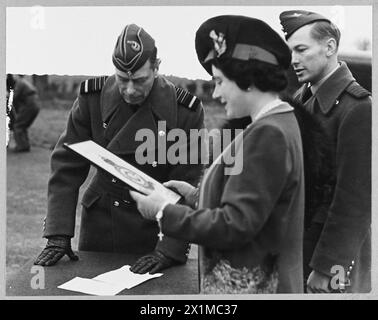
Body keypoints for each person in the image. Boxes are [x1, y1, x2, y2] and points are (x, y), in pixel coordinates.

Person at [130, 15, 305, 293]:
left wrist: (163, 212)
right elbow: (259, 205)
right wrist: (194, 196)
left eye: (220, 81)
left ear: (247, 79)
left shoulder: (268, 134)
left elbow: (235, 226)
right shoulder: (278, 122)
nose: (216, 92)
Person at [34, 23, 205, 273]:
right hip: (101, 219)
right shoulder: (92, 98)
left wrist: (170, 250)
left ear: (157, 67)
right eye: (122, 79)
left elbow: (186, 182)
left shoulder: (184, 111)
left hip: (154, 225)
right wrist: (58, 233)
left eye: (139, 80)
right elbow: (66, 166)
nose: (129, 89)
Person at [280, 10, 371, 293]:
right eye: (290, 51)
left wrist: (328, 266)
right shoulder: (302, 98)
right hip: (301, 243)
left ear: (330, 47)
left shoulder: (358, 109)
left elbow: (354, 200)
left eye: (301, 49)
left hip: (329, 256)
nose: (293, 59)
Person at [6, 74, 40, 152]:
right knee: (23, 125)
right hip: (35, 103)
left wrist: (8, 95)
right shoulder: (24, 82)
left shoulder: (20, 82)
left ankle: (21, 146)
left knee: (18, 125)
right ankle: (25, 145)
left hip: (30, 104)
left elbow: (14, 96)